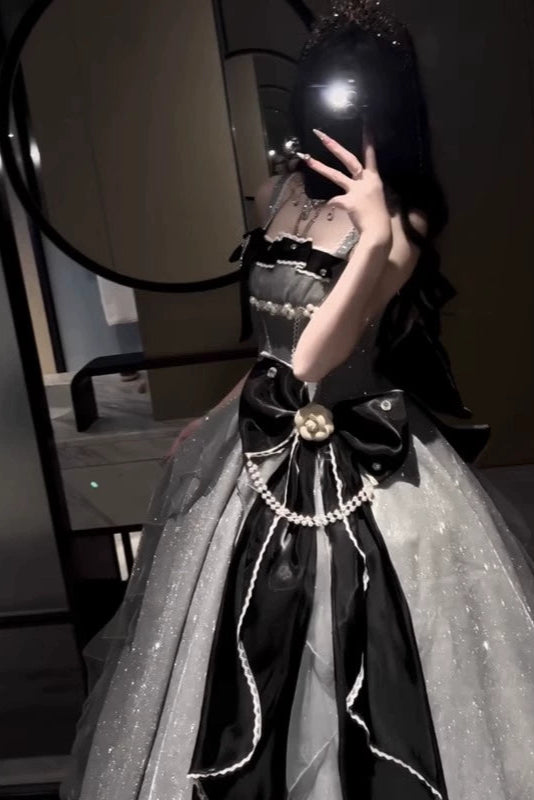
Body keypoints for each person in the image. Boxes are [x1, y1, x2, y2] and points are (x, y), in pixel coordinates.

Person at [60, 2, 534, 799]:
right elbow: (271, 353)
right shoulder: (276, 191)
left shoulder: (403, 224)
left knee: (359, 628)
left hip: (362, 452)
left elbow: (314, 359)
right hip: (259, 435)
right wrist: (215, 416)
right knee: (219, 634)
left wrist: (374, 238)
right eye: (322, 88)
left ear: (388, 106)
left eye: (353, 93)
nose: (333, 108)